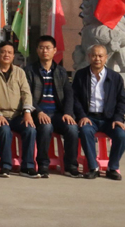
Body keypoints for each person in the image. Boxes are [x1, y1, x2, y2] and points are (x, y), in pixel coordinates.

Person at [24, 35, 80, 178]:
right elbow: (27, 95)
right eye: (41, 48)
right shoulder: (29, 71)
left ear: (54, 50)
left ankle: (71, 166)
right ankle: (43, 165)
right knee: (46, 127)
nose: (45, 51)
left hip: (57, 113)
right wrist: (38, 111)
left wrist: (68, 112)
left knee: (72, 128)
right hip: (38, 113)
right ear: (37, 50)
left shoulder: (60, 71)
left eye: (48, 48)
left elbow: (69, 94)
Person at [73, 44, 125, 181]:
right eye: (94, 55)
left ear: (106, 58)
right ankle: (93, 168)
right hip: (89, 118)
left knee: (121, 136)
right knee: (85, 131)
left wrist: (118, 118)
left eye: (100, 56)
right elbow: (74, 99)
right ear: (89, 57)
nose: (97, 59)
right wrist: (82, 116)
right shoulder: (81, 75)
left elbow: (122, 100)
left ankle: (112, 168)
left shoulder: (115, 77)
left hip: (110, 119)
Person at [0, 41, 38, 178]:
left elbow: (26, 93)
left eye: (9, 52)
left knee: (30, 129)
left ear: (13, 56)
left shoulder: (20, 72)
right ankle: (5, 166)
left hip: (17, 115)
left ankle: (27, 167)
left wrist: (27, 112)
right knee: (5, 130)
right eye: (3, 52)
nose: (6, 55)